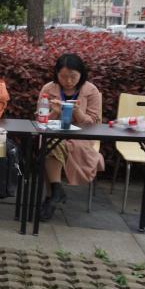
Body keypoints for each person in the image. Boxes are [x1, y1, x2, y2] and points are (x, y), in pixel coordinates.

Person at [39, 53, 104, 221]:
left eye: (73, 76)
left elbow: (94, 124)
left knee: (50, 147)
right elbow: (40, 119)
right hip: (54, 134)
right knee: (50, 143)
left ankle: (52, 195)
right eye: (63, 76)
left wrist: (78, 113)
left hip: (81, 136)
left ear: (81, 74)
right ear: (57, 74)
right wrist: (54, 112)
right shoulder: (48, 89)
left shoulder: (91, 91)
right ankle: (56, 191)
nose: (68, 81)